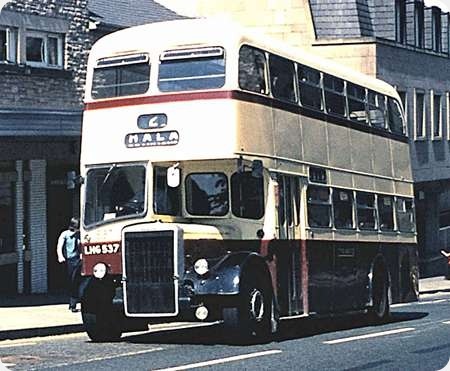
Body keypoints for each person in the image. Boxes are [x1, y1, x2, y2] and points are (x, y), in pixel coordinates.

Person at [57, 217, 81, 312]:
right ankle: (72, 302)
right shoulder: (65, 234)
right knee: (72, 281)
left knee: (78, 281)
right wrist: (60, 256)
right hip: (69, 260)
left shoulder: (79, 235)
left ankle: (75, 303)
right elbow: (59, 246)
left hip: (78, 259)